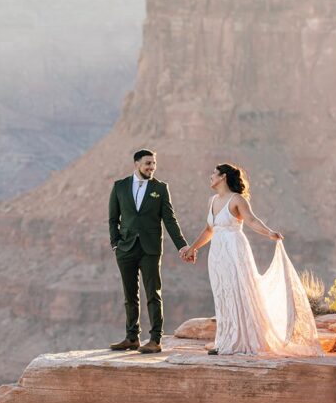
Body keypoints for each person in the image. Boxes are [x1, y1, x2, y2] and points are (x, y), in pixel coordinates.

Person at [183, 163, 323, 356]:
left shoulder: (237, 199)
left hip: (235, 250)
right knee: (223, 293)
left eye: (213, 174)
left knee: (239, 290)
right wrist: (192, 248)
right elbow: (209, 230)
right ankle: (224, 340)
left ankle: (242, 340)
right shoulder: (212, 200)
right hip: (217, 254)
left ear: (223, 177)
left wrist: (270, 233)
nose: (210, 177)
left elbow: (251, 220)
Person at [107, 149, 192, 353]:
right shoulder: (120, 186)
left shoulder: (160, 188)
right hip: (126, 248)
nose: (151, 167)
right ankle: (131, 337)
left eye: (154, 164)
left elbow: (169, 219)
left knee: (153, 293)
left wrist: (182, 245)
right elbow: (113, 218)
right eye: (148, 163)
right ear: (136, 163)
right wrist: (115, 244)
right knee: (130, 294)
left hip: (150, 249)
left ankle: (155, 339)